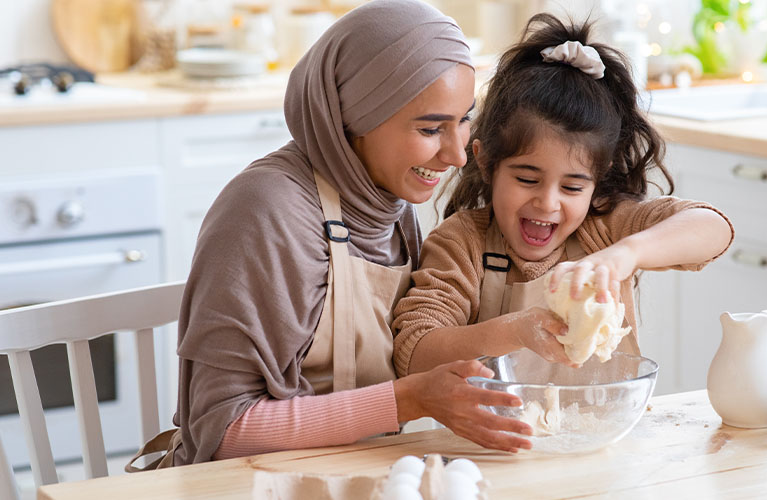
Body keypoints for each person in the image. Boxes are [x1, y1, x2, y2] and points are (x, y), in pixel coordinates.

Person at [171, 0, 533, 466]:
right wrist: (409, 400)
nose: (458, 156)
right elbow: (219, 433)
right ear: (354, 118)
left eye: (464, 119)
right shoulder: (266, 212)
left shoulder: (389, 202)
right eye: (430, 128)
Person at [392, 13, 735, 378]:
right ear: (487, 162)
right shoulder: (463, 243)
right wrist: (515, 331)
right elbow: (414, 353)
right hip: (486, 434)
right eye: (527, 179)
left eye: (572, 187)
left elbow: (714, 229)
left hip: (603, 429)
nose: (548, 203)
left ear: (597, 182)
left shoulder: (603, 227)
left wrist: (625, 254)